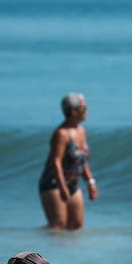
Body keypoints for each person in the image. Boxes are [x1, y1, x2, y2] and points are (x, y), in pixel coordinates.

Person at [38, 92, 98, 230]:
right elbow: (56, 162)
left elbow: (82, 160)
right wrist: (62, 187)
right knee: (58, 225)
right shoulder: (61, 134)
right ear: (73, 111)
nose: (87, 111)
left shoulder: (82, 131)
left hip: (72, 183)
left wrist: (90, 182)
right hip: (53, 183)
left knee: (76, 225)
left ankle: (70, 252)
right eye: (84, 108)